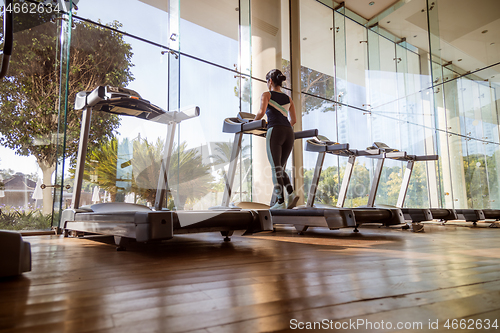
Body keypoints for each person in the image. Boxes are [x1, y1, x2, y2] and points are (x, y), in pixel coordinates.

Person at [254, 69, 299, 209]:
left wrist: (252, 123)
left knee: (275, 168)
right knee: (279, 167)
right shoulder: (289, 99)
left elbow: (261, 112)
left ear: (270, 81)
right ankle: (291, 193)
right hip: (289, 133)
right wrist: (284, 126)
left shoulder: (266, 94)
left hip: (275, 131)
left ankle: (280, 202)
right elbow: (294, 120)